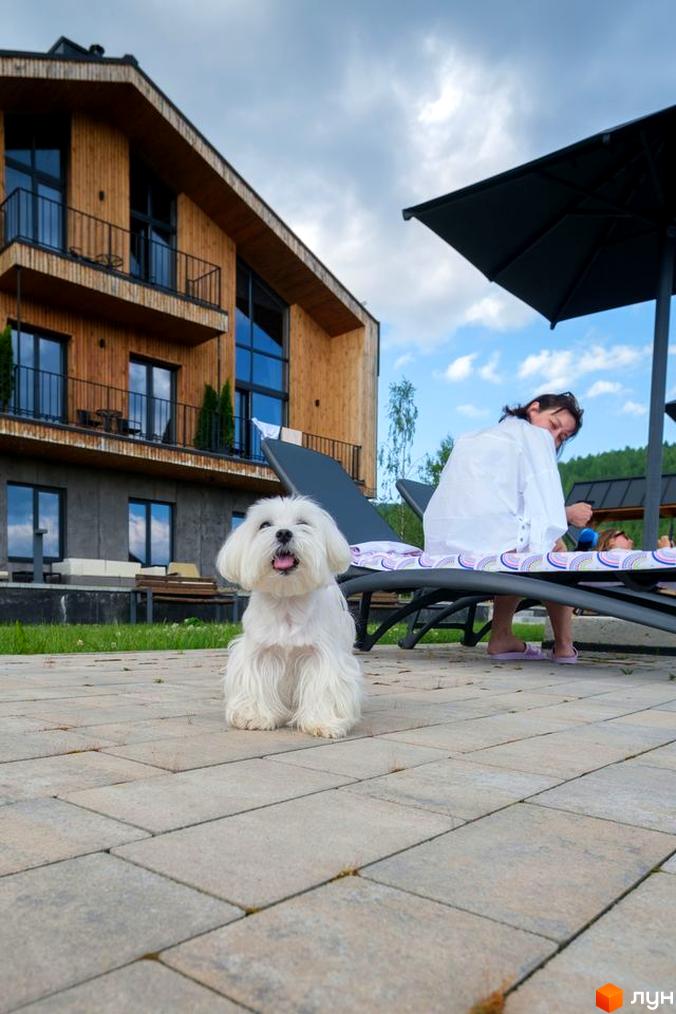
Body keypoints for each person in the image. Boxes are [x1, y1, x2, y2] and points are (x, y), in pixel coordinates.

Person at [424, 391, 592, 663]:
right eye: (554, 425)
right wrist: (561, 525)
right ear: (533, 409)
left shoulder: (471, 438)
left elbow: (492, 505)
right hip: (495, 552)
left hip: (445, 548)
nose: (553, 437)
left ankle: (502, 635)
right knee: (553, 555)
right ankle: (563, 646)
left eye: (562, 437)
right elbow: (543, 509)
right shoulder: (534, 440)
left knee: (515, 544)